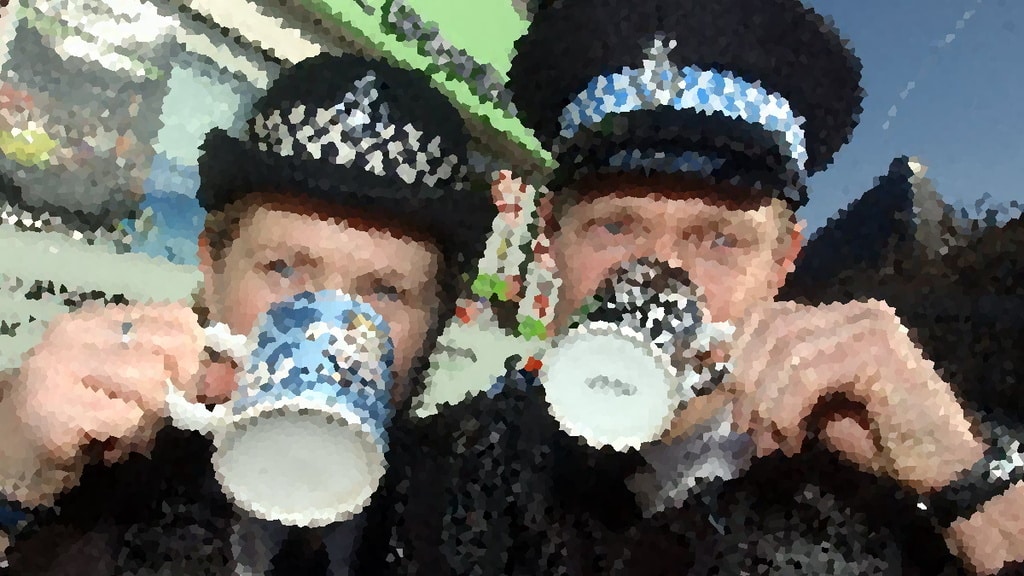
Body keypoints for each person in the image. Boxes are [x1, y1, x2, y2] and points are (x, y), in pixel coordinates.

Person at [370, 1, 1024, 575]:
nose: (660, 272)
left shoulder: (894, 480)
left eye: (719, 238)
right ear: (552, 238)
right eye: (617, 225)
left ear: (781, 264)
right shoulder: (452, 470)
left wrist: (962, 476)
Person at [0, 52, 497, 575]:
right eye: (283, 268)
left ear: (439, 320)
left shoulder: (466, 523)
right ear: (212, 270)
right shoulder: (103, 473)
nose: (330, 330)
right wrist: (15, 469)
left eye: (387, 292)